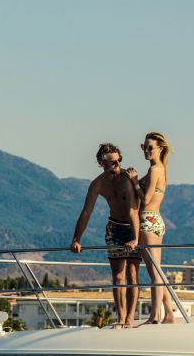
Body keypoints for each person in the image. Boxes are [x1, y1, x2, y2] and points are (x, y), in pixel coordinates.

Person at [70, 143, 140, 327]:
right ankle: (121, 318)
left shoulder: (127, 178)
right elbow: (86, 212)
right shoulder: (97, 184)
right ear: (102, 163)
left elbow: (134, 211)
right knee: (118, 276)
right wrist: (77, 238)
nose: (116, 165)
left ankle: (130, 319)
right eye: (112, 163)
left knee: (132, 274)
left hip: (133, 227)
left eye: (119, 161)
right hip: (115, 227)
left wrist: (136, 238)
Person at [126, 132, 175, 324]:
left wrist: (134, 181)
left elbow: (145, 199)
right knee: (157, 271)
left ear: (160, 148)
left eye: (150, 147)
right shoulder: (160, 169)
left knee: (155, 273)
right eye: (144, 147)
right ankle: (169, 313)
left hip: (148, 221)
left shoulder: (155, 170)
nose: (146, 151)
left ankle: (155, 316)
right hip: (155, 221)